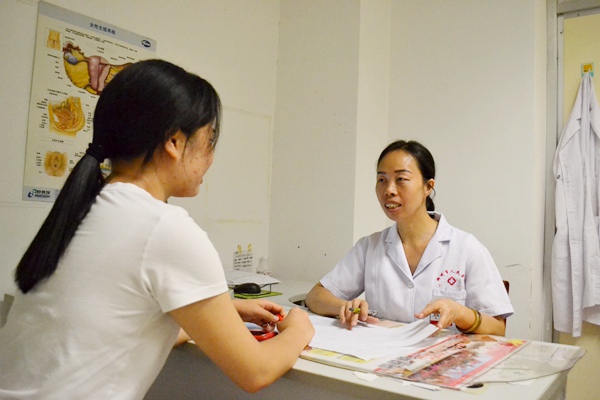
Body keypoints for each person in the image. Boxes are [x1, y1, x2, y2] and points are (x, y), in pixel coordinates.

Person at [0, 59, 314, 399]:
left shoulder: (85, 207)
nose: (211, 157)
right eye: (209, 140)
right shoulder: (164, 227)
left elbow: (119, 329)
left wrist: (224, 312)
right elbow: (256, 371)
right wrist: (300, 328)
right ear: (175, 142)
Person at [305, 140, 512, 335]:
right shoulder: (370, 247)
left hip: (441, 359)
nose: (389, 190)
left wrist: (461, 313)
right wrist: (345, 306)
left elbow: (498, 328)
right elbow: (315, 297)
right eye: (382, 180)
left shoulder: (466, 248)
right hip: (382, 355)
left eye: (401, 179)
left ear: (428, 187)